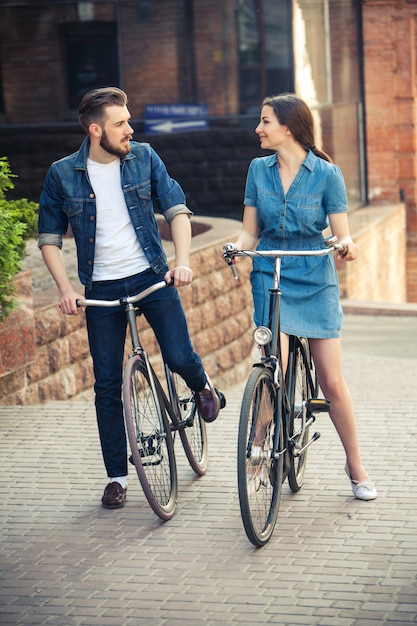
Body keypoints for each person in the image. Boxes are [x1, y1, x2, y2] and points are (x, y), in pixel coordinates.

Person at [38, 87, 223, 509]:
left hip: (151, 277)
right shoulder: (62, 173)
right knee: (106, 385)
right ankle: (117, 477)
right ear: (95, 129)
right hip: (100, 289)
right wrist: (66, 289)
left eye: (129, 121)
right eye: (121, 123)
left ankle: (202, 386)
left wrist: (181, 262)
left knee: (178, 357)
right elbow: (48, 238)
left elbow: (176, 209)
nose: (130, 129)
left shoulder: (144, 156)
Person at [231, 93, 377, 501]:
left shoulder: (327, 174)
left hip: (314, 273)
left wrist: (346, 244)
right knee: (268, 365)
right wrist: (236, 248)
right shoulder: (257, 170)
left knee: (331, 380)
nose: (258, 129)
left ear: (288, 128)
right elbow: (249, 232)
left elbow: (340, 230)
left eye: (265, 121)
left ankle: (355, 464)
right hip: (271, 270)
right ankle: (259, 448)